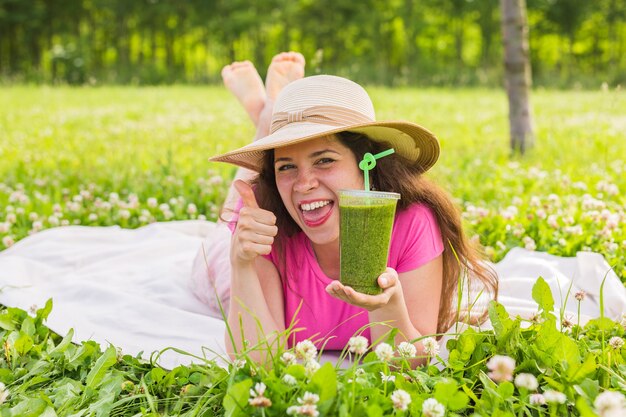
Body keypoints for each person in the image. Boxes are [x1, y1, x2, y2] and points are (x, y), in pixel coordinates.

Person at [192, 52, 498, 364]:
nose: (304, 183)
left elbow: (411, 363)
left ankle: (267, 116)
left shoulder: (411, 223)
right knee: (226, 226)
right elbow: (257, 362)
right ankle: (266, 120)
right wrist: (241, 262)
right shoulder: (265, 226)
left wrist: (386, 307)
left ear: (366, 163)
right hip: (230, 257)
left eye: (324, 160)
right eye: (285, 167)